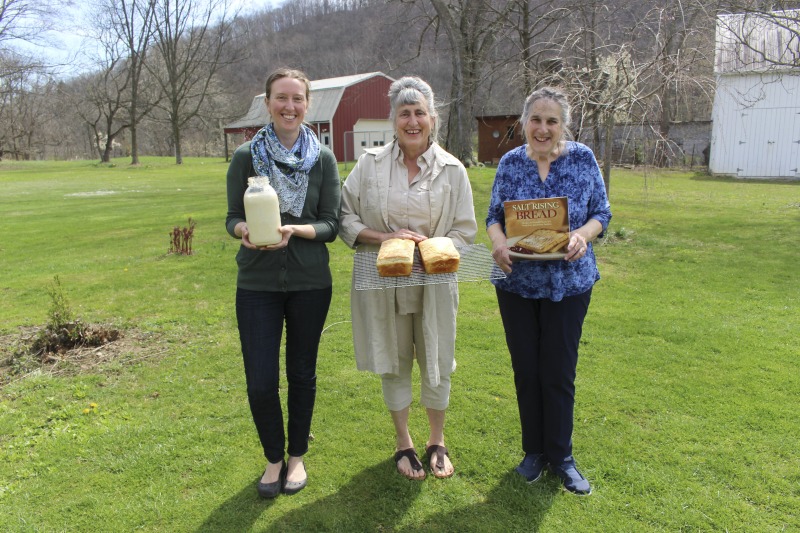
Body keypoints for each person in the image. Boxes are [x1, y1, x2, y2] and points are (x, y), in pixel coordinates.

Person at [339, 76, 477, 480]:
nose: (412, 121)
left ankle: (437, 440)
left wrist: (433, 250)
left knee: (436, 362)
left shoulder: (453, 170)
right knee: (393, 362)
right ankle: (404, 443)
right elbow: (345, 217)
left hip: (434, 285)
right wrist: (385, 238)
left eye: (419, 113)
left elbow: (465, 232)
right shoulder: (370, 165)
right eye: (404, 113)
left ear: (432, 119)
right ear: (393, 120)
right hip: (384, 284)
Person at [486, 87, 611, 495]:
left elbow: (601, 213)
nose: (542, 128)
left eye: (551, 121)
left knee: (558, 372)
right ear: (523, 123)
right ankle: (533, 452)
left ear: (563, 125)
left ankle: (562, 457)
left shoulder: (582, 158)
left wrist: (582, 236)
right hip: (517, 284)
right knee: (527, 370)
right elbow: (493, 216)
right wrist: (498, 243)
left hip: (569, 284)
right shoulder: (509, 163)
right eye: (535, 120)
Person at [225, 68, 340, 498]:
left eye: (297, 99)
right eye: (281, 98)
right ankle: (273, 457)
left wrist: (298, 231)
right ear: (268, 103)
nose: (289, 106)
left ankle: (295, 458)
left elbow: (331, 223)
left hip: (311, 281)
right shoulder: (244, 157)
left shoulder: (323, 159)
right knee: (259, 379)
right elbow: (232, 217)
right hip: (256, 283)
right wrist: (244, 233)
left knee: (302, 374)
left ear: (307, 104)